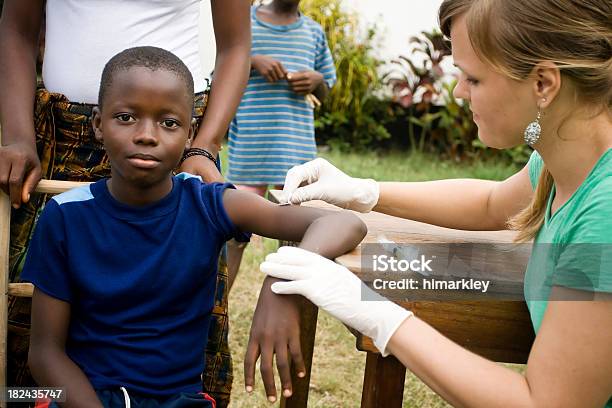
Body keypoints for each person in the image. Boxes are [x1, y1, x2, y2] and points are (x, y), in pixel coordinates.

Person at [254, 0, 612, 406]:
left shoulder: (606, 213)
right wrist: (365, 191)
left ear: (544, 84)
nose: (458, 91)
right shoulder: (569, 154)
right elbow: (493, 204)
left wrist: (380, 317)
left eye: (472, 78)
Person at [22, 46, 366, 407]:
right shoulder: (64, 216)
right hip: (83, 398)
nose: (147, 135)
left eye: (168, 123)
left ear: (189, 135)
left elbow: (343, 221)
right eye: (126, 117)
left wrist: (282, 283)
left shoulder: (209, 204)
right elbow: (45, 354)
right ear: (97, 124)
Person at [0, 2, 254, 405]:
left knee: (180, 302)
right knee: (24, 321)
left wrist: (203, 145)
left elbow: (236, 45)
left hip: (179, 149)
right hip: (57, 141)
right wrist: (17, 136)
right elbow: (17, 27)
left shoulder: (199, 184)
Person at [225, 0, 336, 288]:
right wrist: (251, 60)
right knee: (233, 235)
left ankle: (284, 315)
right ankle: (216, 308)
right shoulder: (243, 22)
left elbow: (326, 88)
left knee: (294, 243)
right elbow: (221, 69)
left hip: (294, 155)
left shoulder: (313, 33)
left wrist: (317, 80)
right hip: (250, 149)